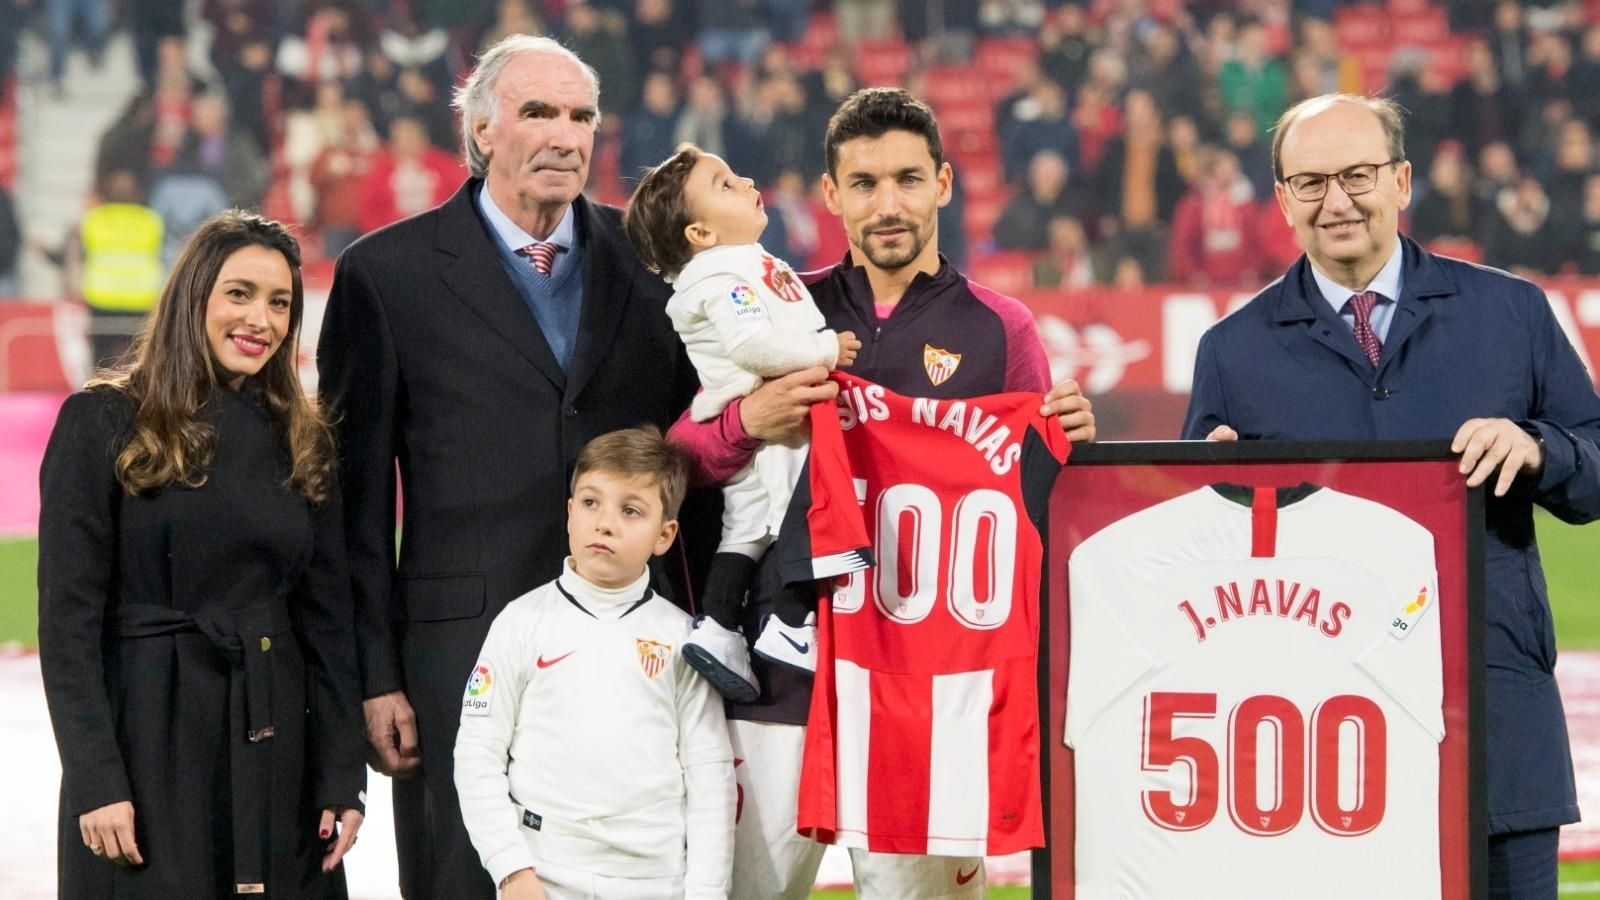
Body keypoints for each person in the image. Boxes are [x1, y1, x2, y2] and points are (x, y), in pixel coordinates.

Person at [317, 35, 759, 899]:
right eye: (538, 112)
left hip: (635, 649)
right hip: (457, 657)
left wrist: (717, 629)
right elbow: (354, 506)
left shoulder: (655, 263)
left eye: (581, 116)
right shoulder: (385, 275)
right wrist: (375, 679)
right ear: (481, 130)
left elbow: (698, 466)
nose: (564, 134)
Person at [672, 86, 1097, 900]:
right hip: (776, 670)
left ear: (943, 183)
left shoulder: (1000, 328)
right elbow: (680, 458)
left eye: (907, 179)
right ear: (832, 195)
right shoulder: (772, 301)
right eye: (864, 184)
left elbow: (1037, 494)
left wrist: (1071, 436)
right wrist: (748, 421)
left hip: (918, 688)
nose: (888, 204)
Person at [1182, 93, 1600, 900]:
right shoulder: (1231, 354)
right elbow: (1200, 557)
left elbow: (1595, 472)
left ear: (1403, 181)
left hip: (1496, 725)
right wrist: (1210, 504)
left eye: (1358, 175)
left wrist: (1539, 448)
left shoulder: (1511, 313)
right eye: (1310, 182)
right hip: (1314, 743)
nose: (1336, 200)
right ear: (1282, 201)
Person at [37, 211, 367, 898]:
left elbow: (329, 621)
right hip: (145, 741)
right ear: (195, 298)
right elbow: (68, 625)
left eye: (281, 303)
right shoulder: (101, 421)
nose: (262, 319)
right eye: (239, 293)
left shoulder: (305, 440)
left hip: (277, 743)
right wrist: (97, 779)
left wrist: (342, 775)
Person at [624, 145, 861, 701]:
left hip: (752, 414)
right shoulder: (720, 273)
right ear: (700, 234)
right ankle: (792, 621)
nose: (747, 179)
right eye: (725, 184)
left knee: (748, 529)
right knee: (805, 509)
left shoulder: (743, 261)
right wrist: (824, 347)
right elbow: (752, 345)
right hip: (775, 417)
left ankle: (719, 626)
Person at [455, 427, 735, 899]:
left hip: (654, 884)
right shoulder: (520, 622)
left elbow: (711, 776)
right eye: (590, 503)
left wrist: (706, 892)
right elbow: (476, 755)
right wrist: (511, 871)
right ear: (569, 513)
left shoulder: (684, 638)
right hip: (542, 878)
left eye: (631, 510)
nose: (605, 523)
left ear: (665, 535)